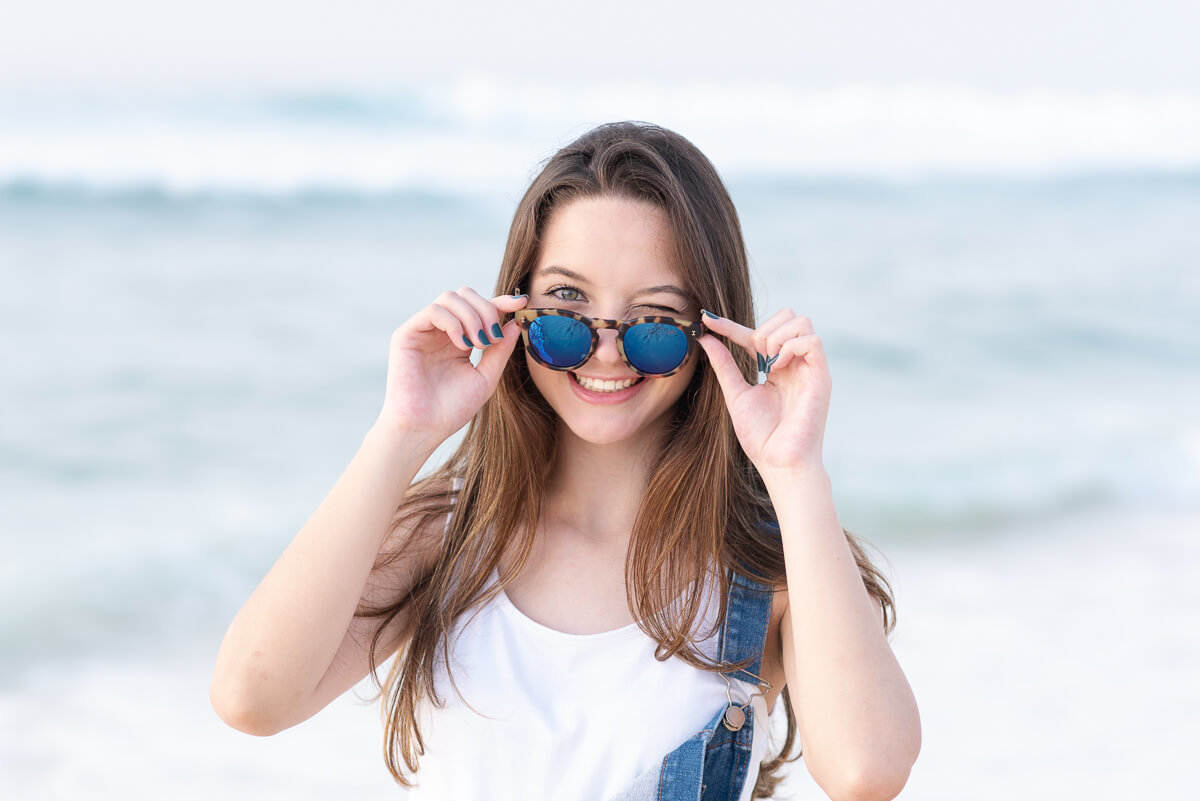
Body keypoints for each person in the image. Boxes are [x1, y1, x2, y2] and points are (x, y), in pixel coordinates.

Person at [210, 121, 921, 800]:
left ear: (709, 334)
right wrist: (403, 429)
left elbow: (868, 769)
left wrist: (794, 473)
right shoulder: (448, 535)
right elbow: (251, 697)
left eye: (652, 324)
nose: (606, 352)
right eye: (565, 307)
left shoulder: (764, 570)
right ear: (515, 310)